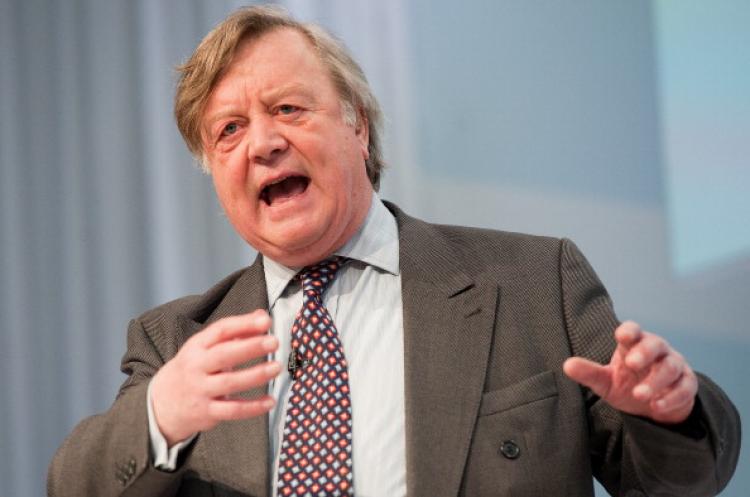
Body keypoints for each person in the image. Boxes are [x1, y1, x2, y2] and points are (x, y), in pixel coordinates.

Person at [48, 5, 740, 497]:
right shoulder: (175, 342)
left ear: (360, 129)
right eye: (229, 130)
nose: (262, 142)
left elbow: (673, 482)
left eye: (289, 109)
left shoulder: (533, 283)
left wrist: (666, 414)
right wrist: (161, 413)